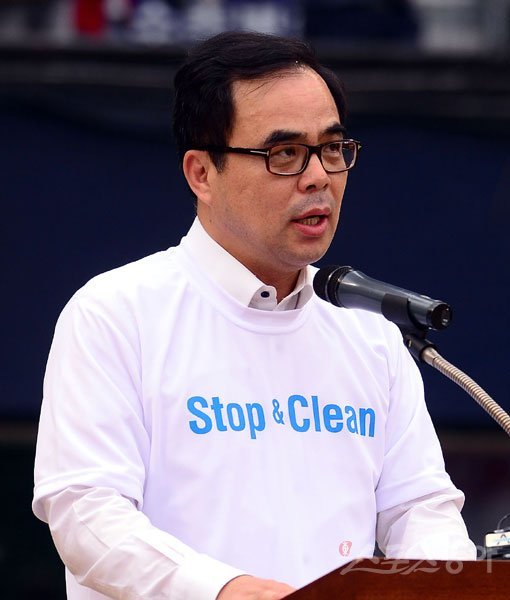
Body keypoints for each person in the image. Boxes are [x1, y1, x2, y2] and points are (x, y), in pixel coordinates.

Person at [33, 31, 476, 600]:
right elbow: (87, 514)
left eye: (333, 148)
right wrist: (224, 590)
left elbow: (419, 508)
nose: (319, 176)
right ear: (201, 173)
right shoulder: (117, 314)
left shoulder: (368, 330)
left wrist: (450, 583)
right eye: (284, 154)